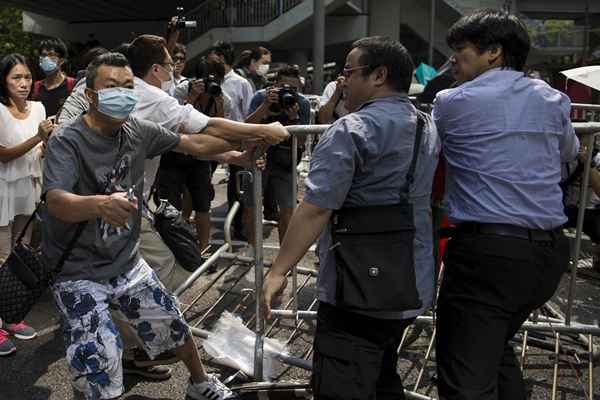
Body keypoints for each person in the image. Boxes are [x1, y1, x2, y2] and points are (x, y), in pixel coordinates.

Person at [41, 52, 287, 400]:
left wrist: (242, 150)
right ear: (92, 96)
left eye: (128, 86)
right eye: (112, 87)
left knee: (172, 323)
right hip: (77, 272)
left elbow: (196, 142)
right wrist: (100, 204)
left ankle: (200, 383)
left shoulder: (136, 130)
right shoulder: (68, 140)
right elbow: (56, 202)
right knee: (98, 361)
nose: (123, 94)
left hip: (125, 261)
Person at [261, 36, 440, 400]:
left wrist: (277, 271)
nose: (343, 81)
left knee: (343, 379)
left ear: (379, 75)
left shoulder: (350, 130)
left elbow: (315, 209)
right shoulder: (428, 125)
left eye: (348, 71)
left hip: (357, 284)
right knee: (382, 372)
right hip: (411, 277)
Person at [432, 10, 579, 400]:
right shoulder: (552, 98)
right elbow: (571, 150)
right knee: (493, 352)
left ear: (493, 52)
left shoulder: (451, 102)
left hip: (488, 255)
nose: (452, 61)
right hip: (548, 253)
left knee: (465, 378)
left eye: (460, 51)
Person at [0, 54, 55, 355]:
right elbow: (4, 154)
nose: (23, 83)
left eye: (26, 77)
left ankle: (10, 316)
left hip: (29, 186)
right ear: (4, 82)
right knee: (1, 256)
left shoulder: (39, 107)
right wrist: (38, 138)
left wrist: (47, 142)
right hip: (2, 188)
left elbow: (42, 150)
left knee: (18, 256)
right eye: (15, 78)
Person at [157, 59, 232, 254]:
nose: (210, 86)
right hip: (175, 153)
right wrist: (192, 96)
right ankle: (173, 249)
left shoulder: (224, 98)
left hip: (200, 157)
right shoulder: (183, 89)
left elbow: (221, 129)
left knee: (203, 203)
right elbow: (177, 123)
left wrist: (219, 105)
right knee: (171, 204)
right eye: (207, 80)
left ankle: (203, 249)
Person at [245, 65, 311, 246]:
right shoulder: (261, 97)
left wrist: (294, 118)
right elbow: (246, 127)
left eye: (294, 89)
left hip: (285, 161)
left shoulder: (302, 103)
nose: (288, 93)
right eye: (284, 88)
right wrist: (265, 106)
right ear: (274, 85)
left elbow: (303, 139)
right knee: (251, 207)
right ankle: (253, 253)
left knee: (288, 210)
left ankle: (283, 258)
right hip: (258, 158)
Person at [207, 41, 255, 240]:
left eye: (213, 55)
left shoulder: (241, 83)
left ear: (222, 57)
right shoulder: (207, 80)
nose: (210, 59)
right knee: (202, 182)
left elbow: (249, 113)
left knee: (237, 186)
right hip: (209, 140)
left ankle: (237, 226)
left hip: (235, 142)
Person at [33, 38, 76, 117]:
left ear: (61, 60)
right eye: (43, 55)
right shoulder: (35, 88)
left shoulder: (73, 85)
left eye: (51, 55)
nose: (46, 59)